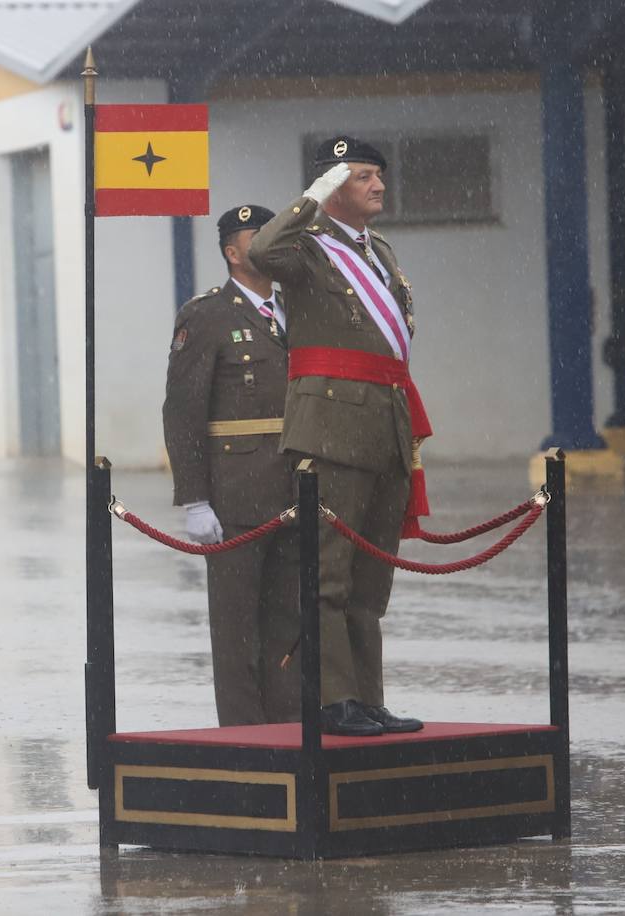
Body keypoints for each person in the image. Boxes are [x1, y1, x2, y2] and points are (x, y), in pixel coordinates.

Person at [248, 138, 430, 737]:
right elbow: (263, 249)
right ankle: (334, 701)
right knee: (328, 576)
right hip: (331, 429)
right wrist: (315, 195)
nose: (379, 185)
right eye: (363, 176)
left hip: (385, 425)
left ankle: (367, 699)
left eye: (379, 175)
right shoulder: (307, 247)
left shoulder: (378, 249)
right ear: (332, 185)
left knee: (370, 582)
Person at [163, 204, 301, 726]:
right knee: (237, 627)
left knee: (289, 621)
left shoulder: (295, 308)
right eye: (256, 236)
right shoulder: (208, 315)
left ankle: (288, 730)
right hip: (236, 496)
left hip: (296, 489)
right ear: (232, 252)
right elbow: (183, 410)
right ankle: (245, 737)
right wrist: (195, 499)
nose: (268, 243)